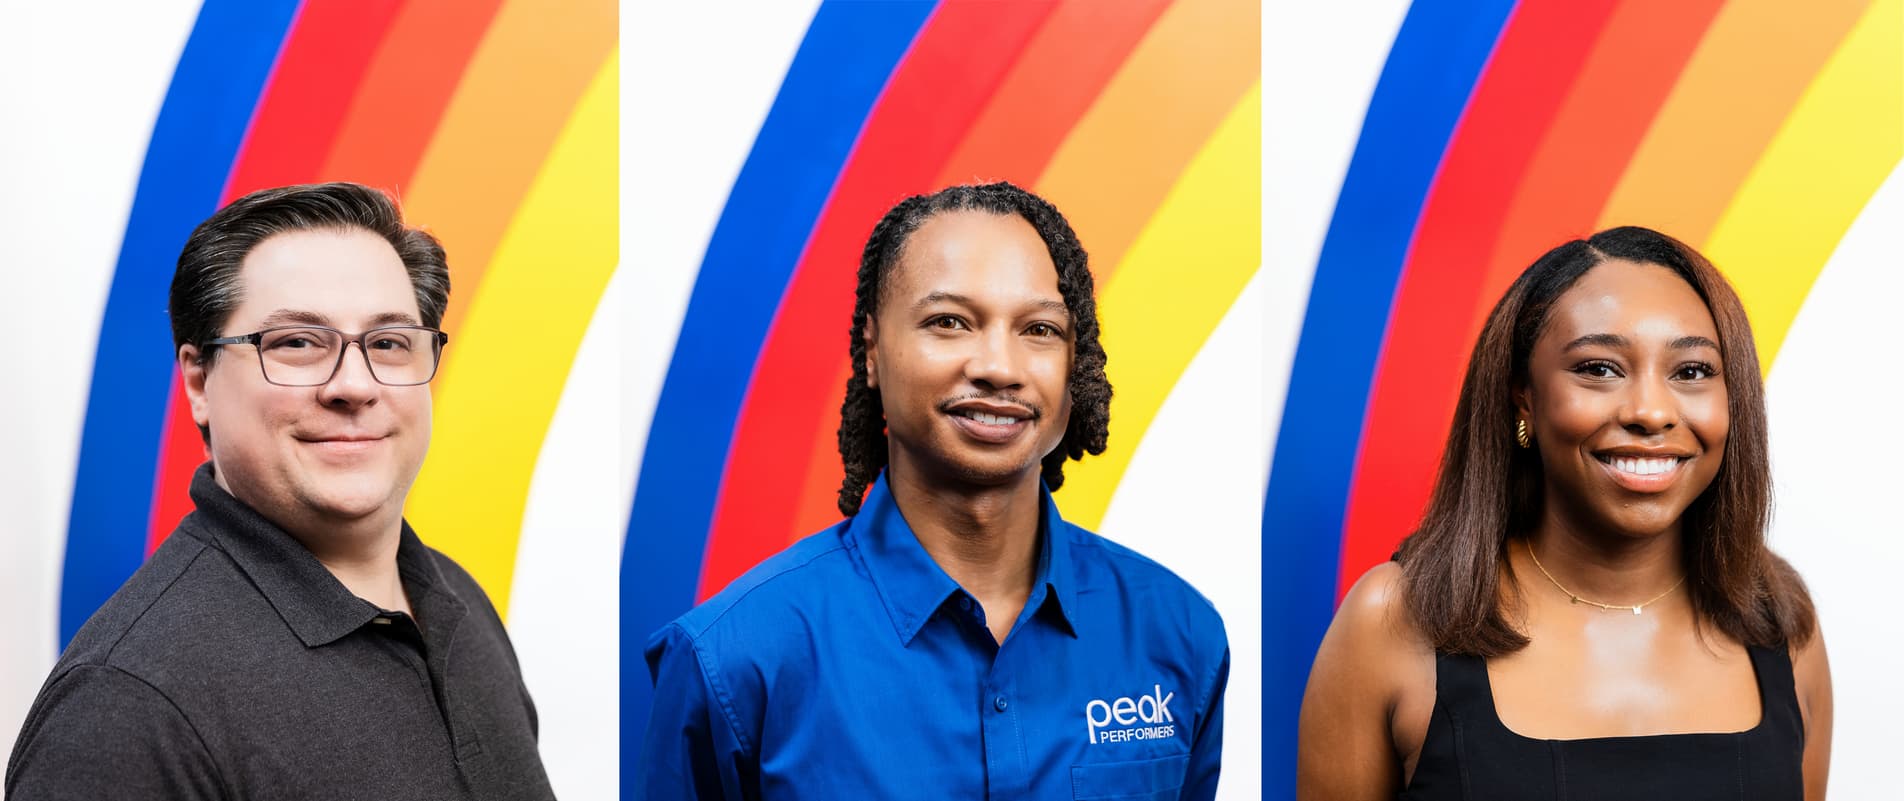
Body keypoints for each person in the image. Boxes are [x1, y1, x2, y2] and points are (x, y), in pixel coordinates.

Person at [635, 182, 1228, 799]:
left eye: (1040, 329)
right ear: (871, 350)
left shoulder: (1179, 633)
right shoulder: (735, 658)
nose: (999, 366)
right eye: (949, 322)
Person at [6, 183, 554, 800]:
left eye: (389, 343)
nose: (353, 385)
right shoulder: (127, 704)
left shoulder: (458, 602)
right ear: (199, 381)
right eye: (296, 343)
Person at [1297, 227, 1831, 799]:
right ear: (1522, 394)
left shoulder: (1781, 620)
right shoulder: (1391, 620)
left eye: (1692, 371)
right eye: (1599, 368)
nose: (1651, 411)